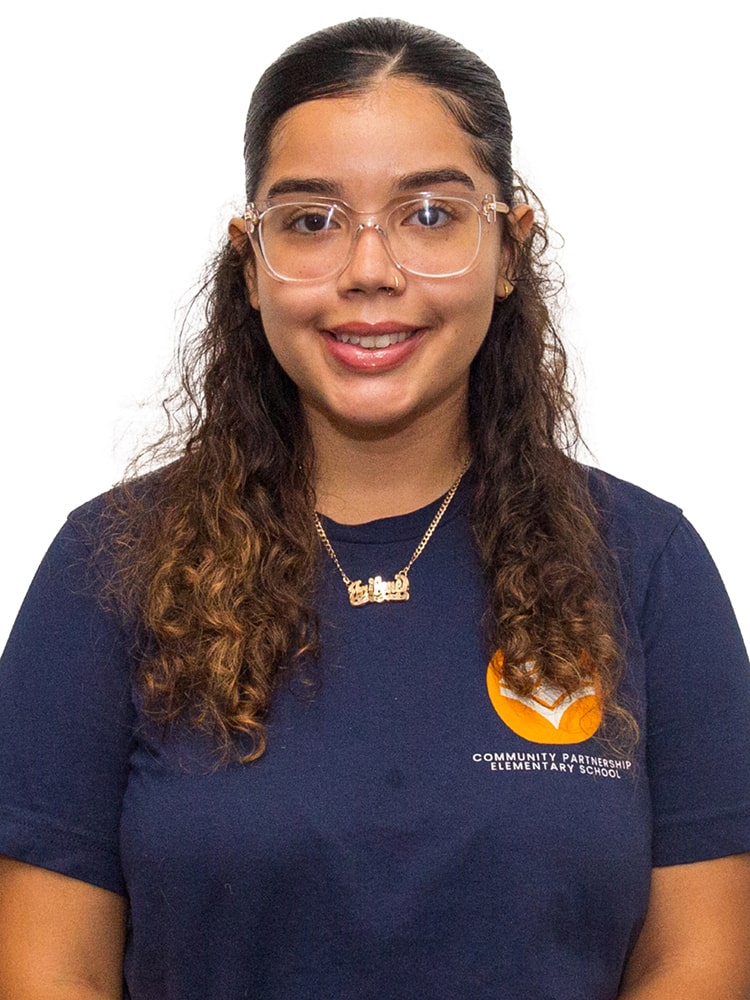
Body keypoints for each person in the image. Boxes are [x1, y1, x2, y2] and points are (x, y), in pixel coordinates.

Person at [1, 16, 749, 1000]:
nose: (369, 269)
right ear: (251, 262)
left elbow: (701, 961)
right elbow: (48, 968)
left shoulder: (648, 566)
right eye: (311, 220)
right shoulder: (108, 567)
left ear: (510, 246)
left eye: (429, 214)